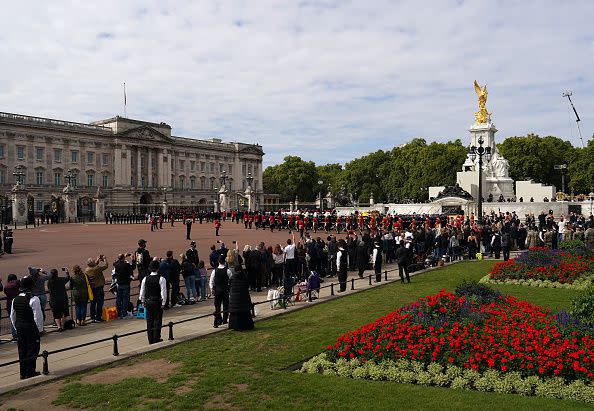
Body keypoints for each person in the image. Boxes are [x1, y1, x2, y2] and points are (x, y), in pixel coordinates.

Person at [11, 276, 44, 379]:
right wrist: (40, 330)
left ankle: (23, 372)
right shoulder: (34, 299)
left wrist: (16, 327)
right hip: (30, 327)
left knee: (22, 349)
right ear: (31, 287)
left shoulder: (15, 299)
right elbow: (38, 317)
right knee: (32, 349)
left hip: (20, 327)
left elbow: (12, 316)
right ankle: (30, 372)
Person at [139, 260, 167, 344]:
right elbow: (163, 292)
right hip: (157, 301)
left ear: (150, 269)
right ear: (158, 268)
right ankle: (156, 338)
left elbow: (142, 291)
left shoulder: (145, 278)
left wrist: (142, 301)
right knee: (157, 320)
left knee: (149, 320)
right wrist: (163, 302)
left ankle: (150, 339)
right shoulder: (161, 279)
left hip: (148, 301)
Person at [228, 258, 254, 331]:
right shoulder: (245, 277)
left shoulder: (232, 278)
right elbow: (247, 286)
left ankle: (235, 326)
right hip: (244, 298)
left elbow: (229, 286)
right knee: (244, 312)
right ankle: (246, 326)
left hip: (234, 299)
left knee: (236, 313)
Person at [210, 254, 231, 328]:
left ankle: (218, 320)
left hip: (217, 291)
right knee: (226, 305)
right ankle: (225, 319)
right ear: (224, 261)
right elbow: (231, 280)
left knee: (217, 306)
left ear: (218, 261)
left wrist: (212, 289)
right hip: (225, 290)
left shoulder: (214, 271)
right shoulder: (228, 271)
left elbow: (211, 281)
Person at [85, 255, 108, 323]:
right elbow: (106, 266)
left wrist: (97, 260)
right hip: (99, 288)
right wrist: (105, 259)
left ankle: (92, 317)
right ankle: (98, 317)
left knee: (93, 303)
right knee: (100, 303)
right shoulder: (96, 269)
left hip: (92, 289)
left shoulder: (87, 269)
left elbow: (93, 266)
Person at [113, 253, 136, 319]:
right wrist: (133, 259)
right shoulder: (126, 265)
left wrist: (123, 257)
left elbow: (115, 263)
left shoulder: (116, 265)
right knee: (125, 299)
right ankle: (124, 313)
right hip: (126, 284)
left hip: (119, 284)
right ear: (123, 258)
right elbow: (133, 267)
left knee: (118, 299)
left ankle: (119, 313)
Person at [4, 274, 21, 340]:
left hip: (9, 303)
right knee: (19, 318)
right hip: (17, 302)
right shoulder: (17, 284)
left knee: (12, 319)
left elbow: (6, 293)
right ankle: (19, 334)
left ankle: (14, 335)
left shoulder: (6, 286)